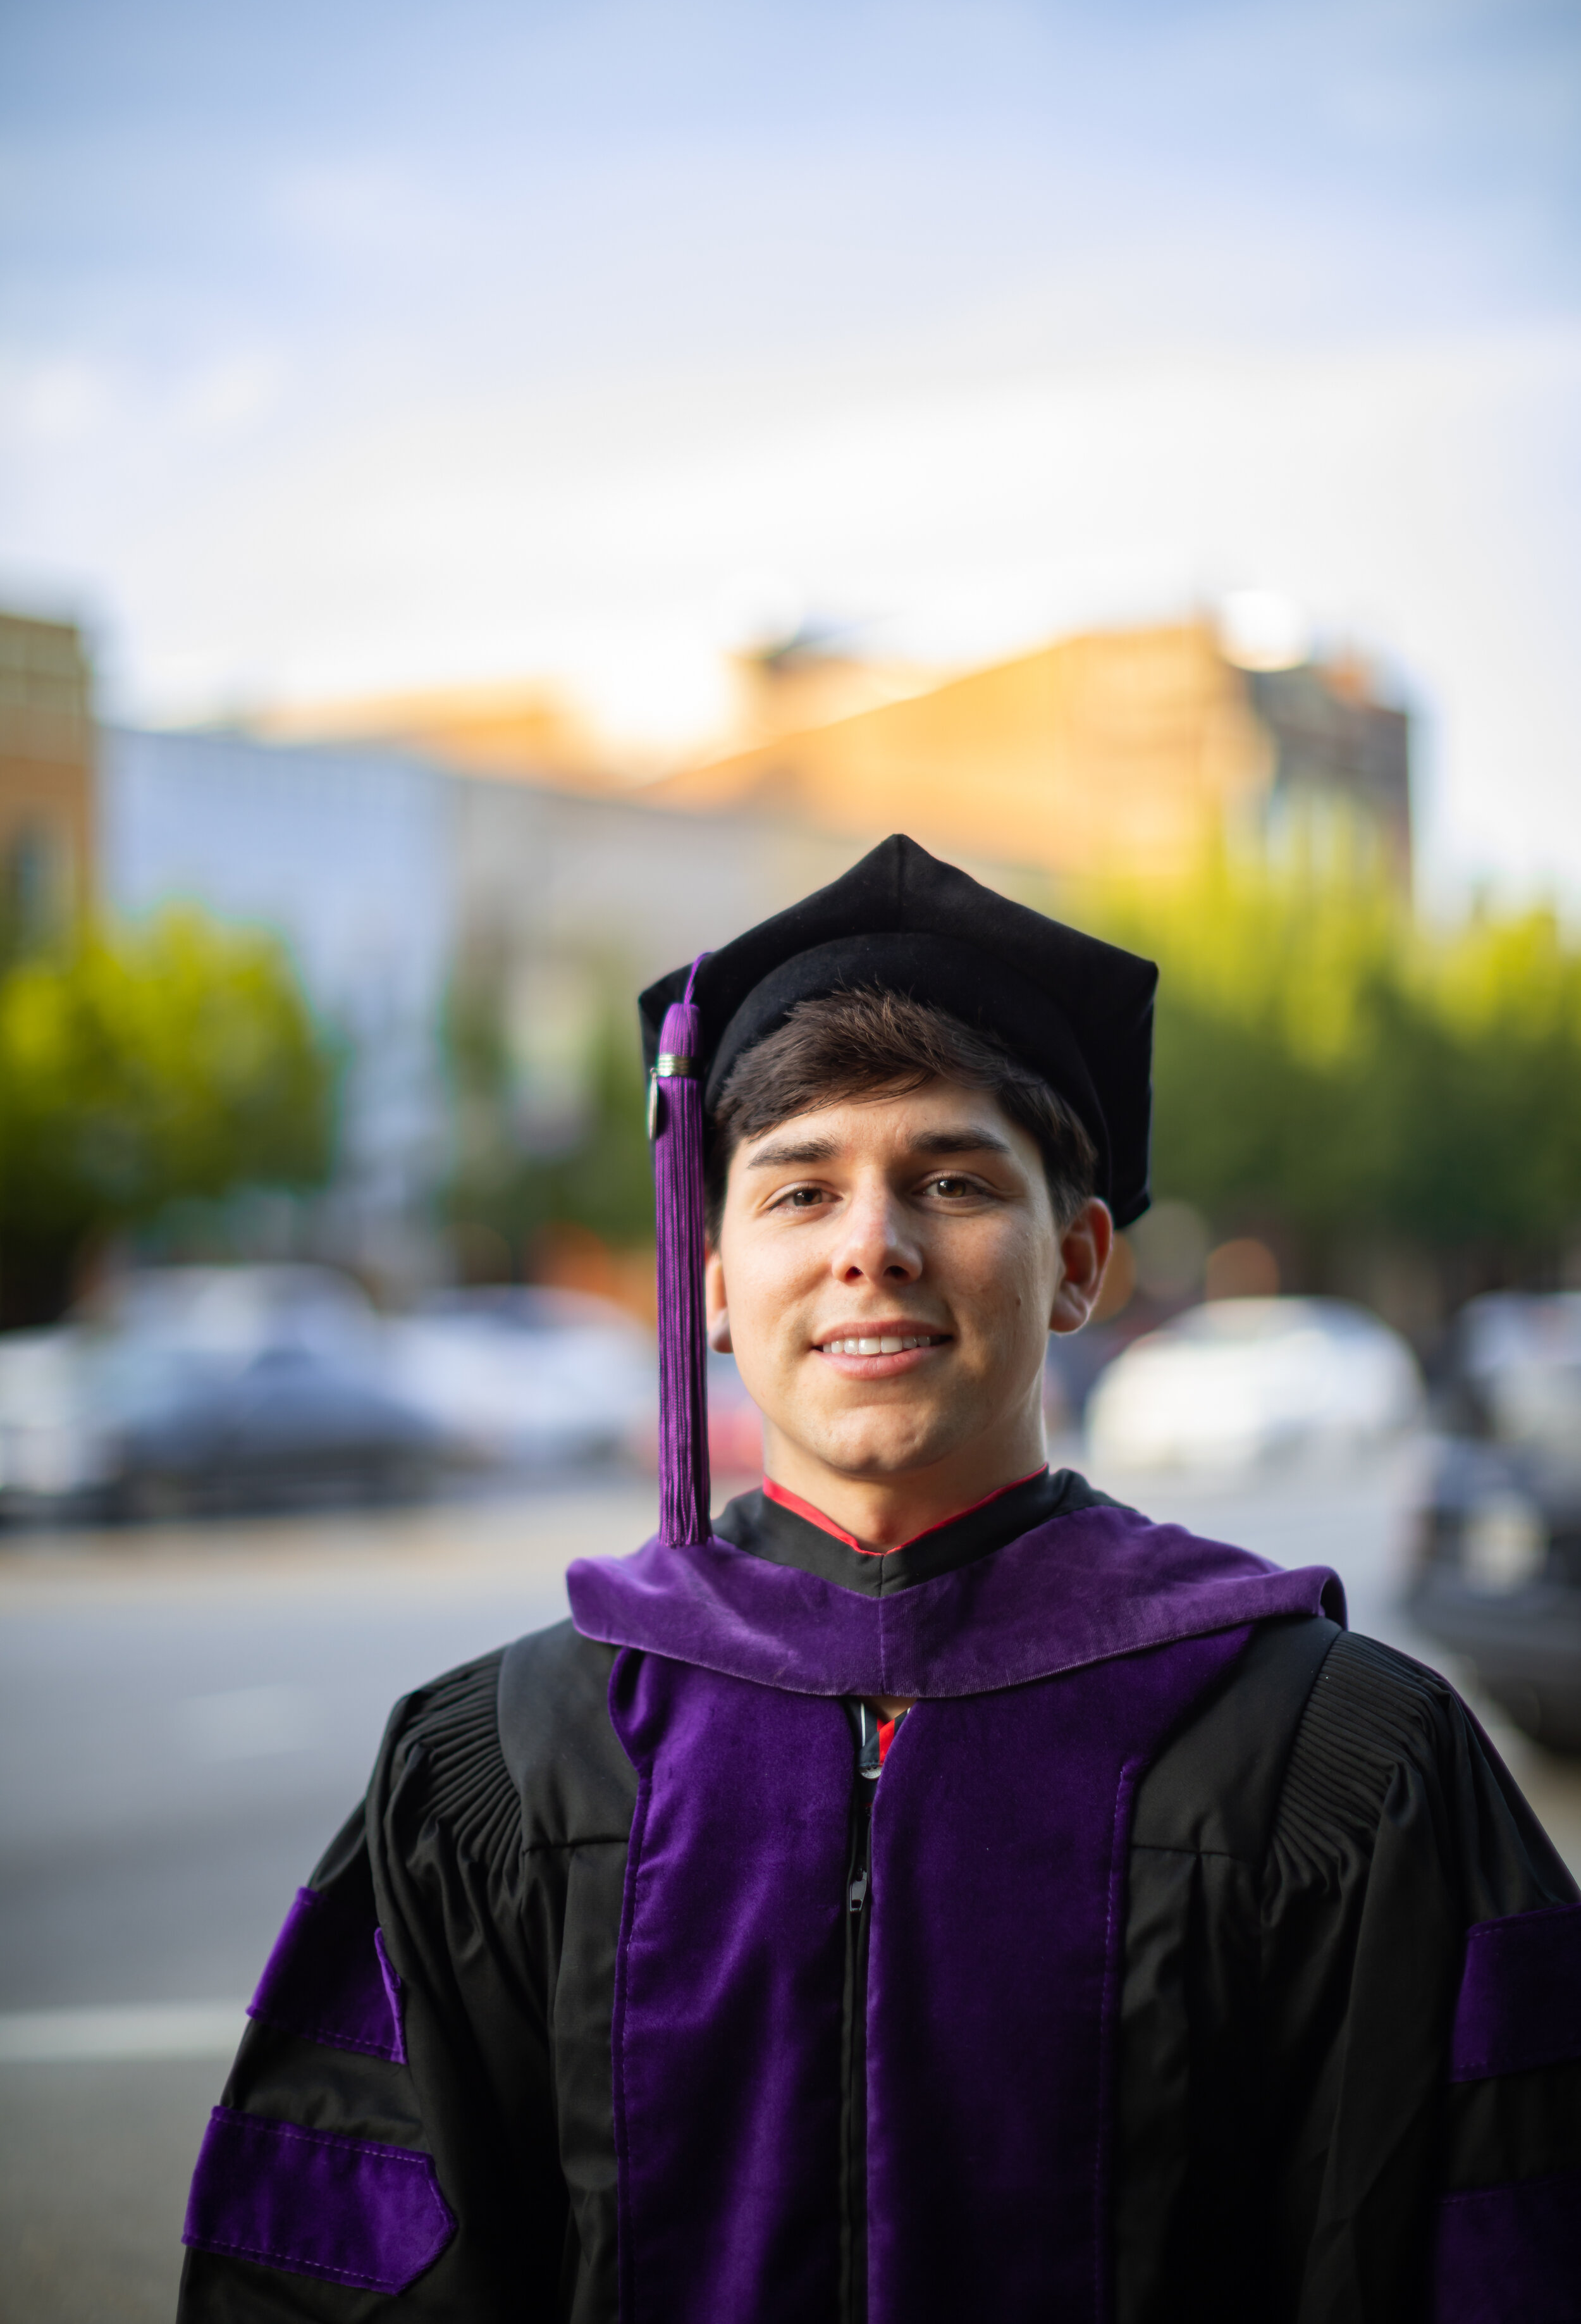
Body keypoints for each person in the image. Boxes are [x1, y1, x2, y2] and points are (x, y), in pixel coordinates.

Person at [178, 834, 1580, 2324]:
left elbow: (1490, 2254)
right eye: (796, 1194)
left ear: (1078, 1262)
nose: (874, 1247)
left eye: (952, 1180)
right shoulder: (506, 1766)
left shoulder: (1331, 1758)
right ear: (710, 1280)